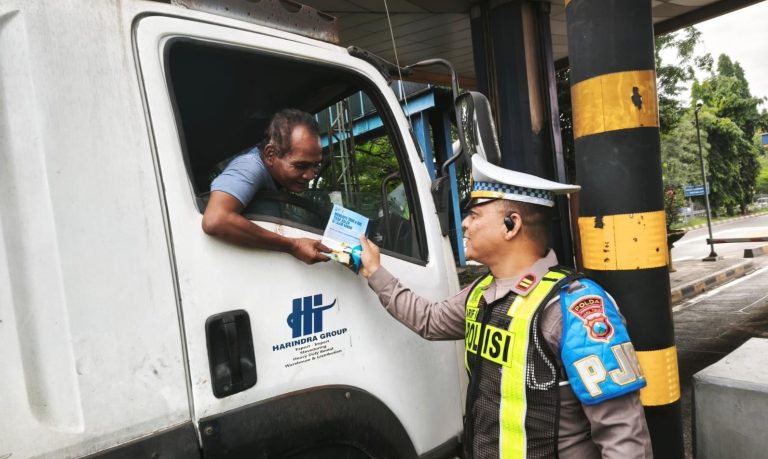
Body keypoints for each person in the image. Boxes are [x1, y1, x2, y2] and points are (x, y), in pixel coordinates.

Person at [358, 154, 652, 458]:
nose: (465, 224)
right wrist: (373, 270)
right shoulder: (482, 292)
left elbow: (623, 436)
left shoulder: (574, 307)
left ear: (511, 225)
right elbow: (429, 320)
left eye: (475, 215)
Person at [202, 109, 330, 264]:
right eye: (301, 166)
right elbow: (216, 220)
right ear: (270, 154)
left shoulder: (276, 177)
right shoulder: (249, 167)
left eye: (315, 166)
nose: (310, 175)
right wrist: (293, 245)